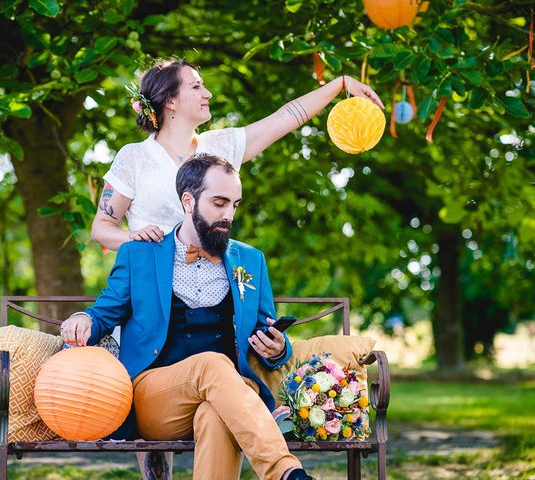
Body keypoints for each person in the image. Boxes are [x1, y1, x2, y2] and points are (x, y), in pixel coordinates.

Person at [61, 154, 316, 480]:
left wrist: (278, 348)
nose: (229, 215)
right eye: (219, 203)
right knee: (210, 364)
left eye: (235, 205)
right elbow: (103, 313)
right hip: (156, 397)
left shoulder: (251, 260)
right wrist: (84, 318)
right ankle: (285, 472)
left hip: (231, 396)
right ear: (188, 200)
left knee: (215, 413)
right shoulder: (139, 253)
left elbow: (267, 330)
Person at [91, 58, 384, 251]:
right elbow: (102, 228)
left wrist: (341, 83)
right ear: (170, 101)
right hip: (149, 291)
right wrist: (134, 238)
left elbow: (287, 116)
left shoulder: (220, 146)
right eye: (196, 86)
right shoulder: (133, 158)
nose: (208, 94)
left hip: (210, 292)